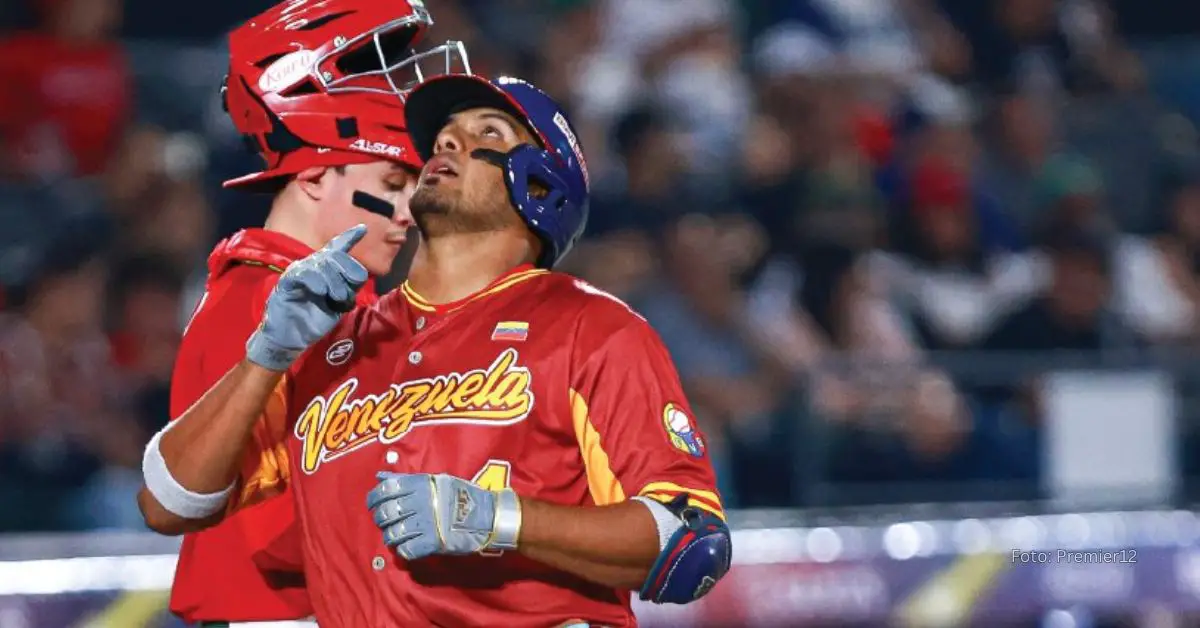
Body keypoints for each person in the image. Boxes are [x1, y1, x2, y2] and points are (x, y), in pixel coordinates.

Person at [138, 74, 731, 627]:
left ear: (541, 184)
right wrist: (264, 356)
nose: (448, 144)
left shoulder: (591, 327)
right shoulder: (335, 342)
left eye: (486, 136)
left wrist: (500, 519)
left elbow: (692, 544)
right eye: (444, 138)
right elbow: (170, 502)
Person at [153, 1, 469, 625]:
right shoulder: (258, 300)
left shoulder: (331, 297)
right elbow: (271, 524)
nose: (407, 214)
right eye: (390, 184)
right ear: (317, 176)